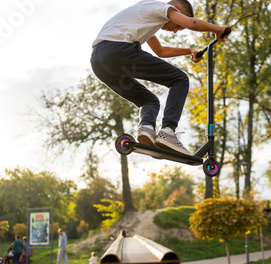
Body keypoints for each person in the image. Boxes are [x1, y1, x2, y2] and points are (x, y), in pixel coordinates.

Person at [91, 0, 230, 155]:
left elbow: (160, 51)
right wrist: (218, 29)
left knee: (148, 101)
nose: (176, 31)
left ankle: (147, 129)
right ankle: (168, 132)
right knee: (180, 79)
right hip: (117, 50)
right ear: (175, 10)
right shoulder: (162, 8)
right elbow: (192, 23)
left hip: (99, 62)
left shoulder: (144, 16)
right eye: (179, 25)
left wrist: (190, 50)